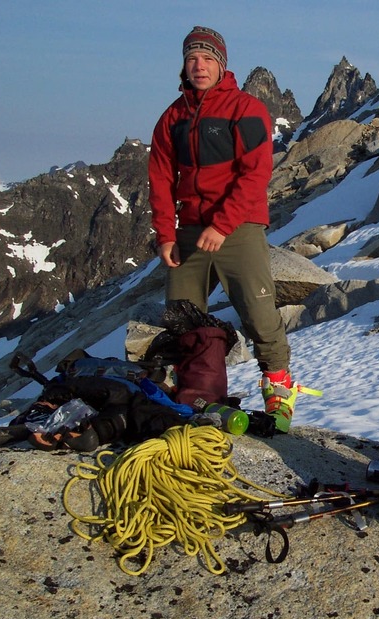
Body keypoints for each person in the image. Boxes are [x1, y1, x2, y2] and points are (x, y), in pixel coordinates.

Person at [148, 26, 298, 432]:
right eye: (192, 58)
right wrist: (165, 234)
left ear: (221, 65)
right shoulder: (172, 118)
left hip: (239, 225)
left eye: (207, 59)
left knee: (257, 309)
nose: (199, 66)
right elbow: (160, 178)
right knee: (183, 318)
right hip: (188, 229)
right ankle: (198, 394)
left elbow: (256, 172)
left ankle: (279, 392)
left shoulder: (245, 108)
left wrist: (222, 223)